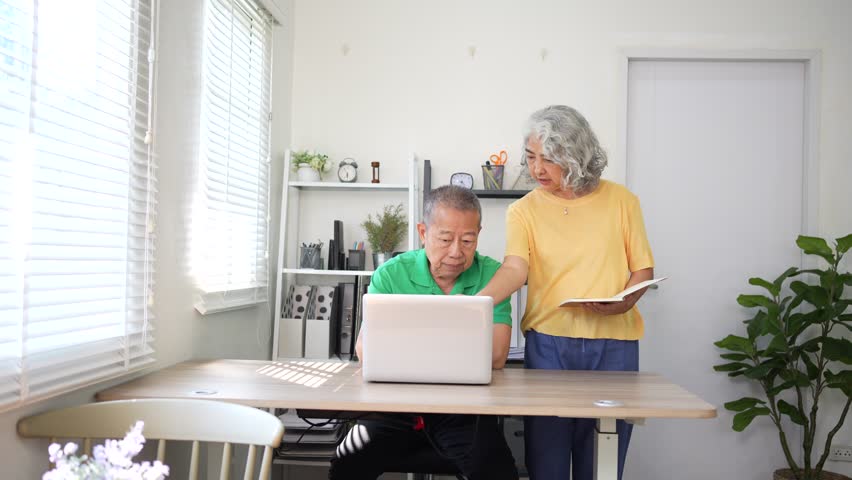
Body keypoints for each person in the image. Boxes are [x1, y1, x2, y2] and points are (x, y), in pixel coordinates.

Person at [477, 105, 655, 480]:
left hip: (615, 346)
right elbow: (515, 268)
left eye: (549, 159)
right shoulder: (523, 210)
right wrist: (476, 303)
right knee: (548, 465)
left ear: (577, 157)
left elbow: (642, 269)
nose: (537, 169)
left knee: (602, 465)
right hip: (549, 347)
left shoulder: (622, 201)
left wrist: (624, 301)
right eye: (531, 157)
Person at [328, 185, 519, 480]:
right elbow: (365, 350)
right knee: (347, 460)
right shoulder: (391, 274)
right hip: (393, 409)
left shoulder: (494, 276)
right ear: (423, 232)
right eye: (445, 239)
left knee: (497, 471)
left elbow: (496, 356)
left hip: (463, 412)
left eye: (468, 240)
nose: (457, 252)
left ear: (478, 234)